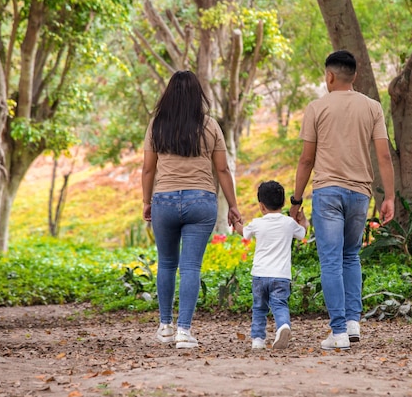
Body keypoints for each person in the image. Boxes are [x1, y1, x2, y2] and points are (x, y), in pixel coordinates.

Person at [289, 50, 395, 351]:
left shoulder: (316, 108)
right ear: (355, 76)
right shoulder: (372, 107)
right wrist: (389, 197)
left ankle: (338, 332)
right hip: (360, 194)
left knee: (332, 260)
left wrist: (295, 203)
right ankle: (352, 323)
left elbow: (306, 160)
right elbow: (384, 155)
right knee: (351, 256)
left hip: (327, 194)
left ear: (329, 76)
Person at [141, 70, 241, 349]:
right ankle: (184, 331)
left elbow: (148, 169)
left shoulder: (157, 125)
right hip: (201, 201)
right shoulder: (209, 126)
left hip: (165, 201)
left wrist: (147, 201)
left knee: (167, 263)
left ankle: (164, 327)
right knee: (191, 266)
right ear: (198, 95)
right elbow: (222, 169)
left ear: (169, 95)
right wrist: (233, 206)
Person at [233, 180, 309, 350]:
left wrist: (236, 221)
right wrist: (302, 220)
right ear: (283, 203)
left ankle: (258, 340)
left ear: (261, 206)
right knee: (279, 304)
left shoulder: (257, 223)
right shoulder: (289, 223)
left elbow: (243, 233)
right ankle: (283, 326)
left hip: (259, 274)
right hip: (281, 276)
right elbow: (303, 233)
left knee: (259, 308)